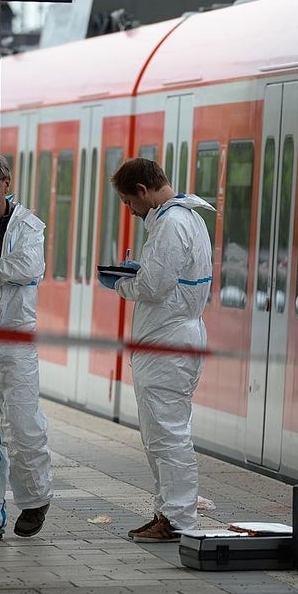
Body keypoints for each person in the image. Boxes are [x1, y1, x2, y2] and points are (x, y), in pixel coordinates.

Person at [99, 157, 214, 543]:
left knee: (167, 434)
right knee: (163, 432)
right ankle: (167, 510)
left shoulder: (169, 224)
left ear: (143, 191)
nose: (129, 211)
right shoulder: (192, 219)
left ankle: (177, 519)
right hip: (178, 337)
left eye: (129, 202)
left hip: (167, 343)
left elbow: (153, 287)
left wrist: (118, 282)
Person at [0, 154, 53, 539]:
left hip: (16, 337)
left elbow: (27, 267)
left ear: (6, 181)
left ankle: (34, 499)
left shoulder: (28, 225)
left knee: (23, 424)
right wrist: (0, 265)